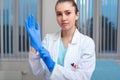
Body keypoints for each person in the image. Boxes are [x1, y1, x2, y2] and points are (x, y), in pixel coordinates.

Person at [25, 0, 96, 80]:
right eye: (59, 14)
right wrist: (34, 48)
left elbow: (82, 77)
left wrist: (52, 66)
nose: (63, 18)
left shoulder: (87, 43)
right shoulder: (49, 39)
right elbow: (36, 71)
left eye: (68, 13)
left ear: (77, 15)